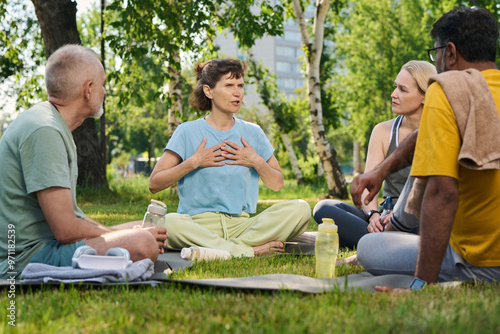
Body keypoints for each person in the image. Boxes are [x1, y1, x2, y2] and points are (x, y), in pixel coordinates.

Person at [353, 6, 500, 288]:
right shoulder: (485, 92)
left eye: (436, 53)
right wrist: (381, 170)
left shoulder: (447, 89)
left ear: (451, 53)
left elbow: (442, 193)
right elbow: (425, 135)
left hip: (476, 264)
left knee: (368, 247)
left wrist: (420, 286)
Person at [0, 45, 168, 279]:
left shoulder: (49, 123)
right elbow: (66, 229)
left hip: (45, 247)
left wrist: (123, 231)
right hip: (25, 260)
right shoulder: (45, 130)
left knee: (136, 229)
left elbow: (72, 216)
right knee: (144, 243)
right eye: (102, 84)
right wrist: (115, 234)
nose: (105, 91)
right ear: (88, 89)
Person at [149, 58, 311, 257]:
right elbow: (154, 184)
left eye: (240, 86)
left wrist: (256, 161)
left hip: (243, 226)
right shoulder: (186, 131)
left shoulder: (254, 133)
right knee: (169, 223)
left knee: (301, 210)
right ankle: (246, 251)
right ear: (209, 91)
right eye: (229, 85)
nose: (237, 92)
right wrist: (193, 162)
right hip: (198, 225)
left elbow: (277, 183)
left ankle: (221, 250)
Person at [313, 61, 436, 249]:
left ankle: (378, 243)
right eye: (395, 87)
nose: (394, 94)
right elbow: (368, 189)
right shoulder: (382, 131)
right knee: (324, 209)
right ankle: (381, 242)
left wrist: (397, 218)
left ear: (425, 97)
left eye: (403, 90)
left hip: (419, 220)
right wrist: (373, 216)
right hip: (384, 217)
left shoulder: (440, 133)